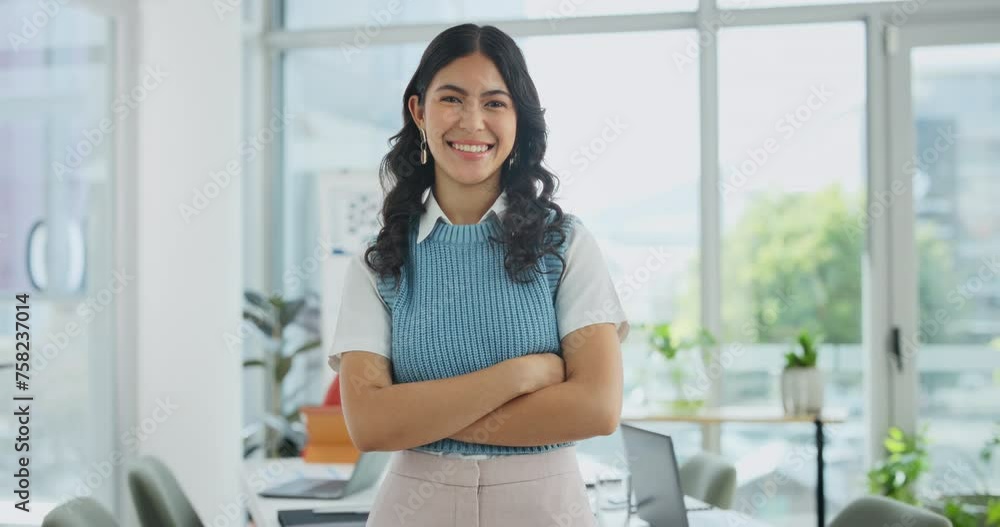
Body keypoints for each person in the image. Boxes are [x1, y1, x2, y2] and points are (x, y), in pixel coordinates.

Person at [328, 23, 630, 527]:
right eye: (452, 98)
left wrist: (423, 418)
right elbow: (371, 426)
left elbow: (596, 408)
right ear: (419, 111)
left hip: (545, 509)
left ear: (519, 120)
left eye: (495, 102)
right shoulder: (379, 261)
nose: (472, 121)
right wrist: (522, 375)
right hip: (415, 509)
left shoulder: (566, 244)